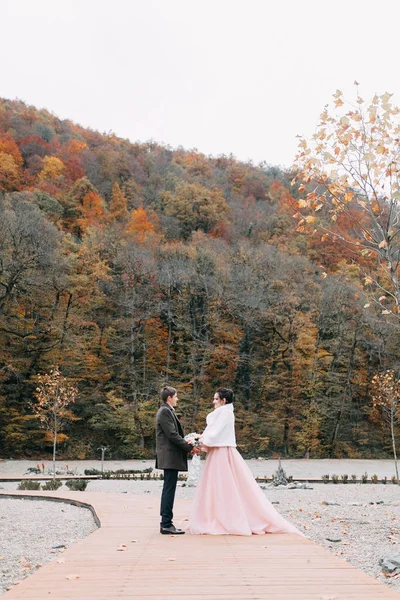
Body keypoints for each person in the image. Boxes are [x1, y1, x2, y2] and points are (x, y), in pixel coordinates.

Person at [189, 388, 301, 536]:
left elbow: (216, 434)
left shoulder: (226, 413)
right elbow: (213, 433)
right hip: (218, 452)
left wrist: (200, 440)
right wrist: (201, 439)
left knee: (224, 485)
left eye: (216, 399)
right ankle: (217, 515)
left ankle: (227, 518)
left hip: (222, 453)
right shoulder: (222, 413)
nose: (213, 401)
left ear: (223, 400)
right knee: (216, 485)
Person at [156, 385, 200, 535]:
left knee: (169, 488)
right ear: (169, 398)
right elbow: (172, 435)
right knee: (169, 489)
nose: (177, 399)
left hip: (171, 456)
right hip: (169, 456)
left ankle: (166, 523)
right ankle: (166, 523)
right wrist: (189, 447)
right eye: (176, 396)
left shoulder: (167, 411)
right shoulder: (164, 412)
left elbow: (174, 435)